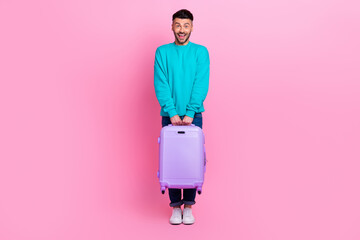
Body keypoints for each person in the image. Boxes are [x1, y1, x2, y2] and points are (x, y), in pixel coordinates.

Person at [154, 9, 210, 225]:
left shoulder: (201, 52)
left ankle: (189, 206)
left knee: (191, 161)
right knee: (172, 161)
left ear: (192, 27)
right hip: (170, 115)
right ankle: (175, 208)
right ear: (172, 27)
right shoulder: (162, 52)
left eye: (186, 25)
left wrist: (190, 112)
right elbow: (161, 84)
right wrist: (172, 111)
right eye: (178, 25)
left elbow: (201, 82)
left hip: (192, 117)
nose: (182, 30)